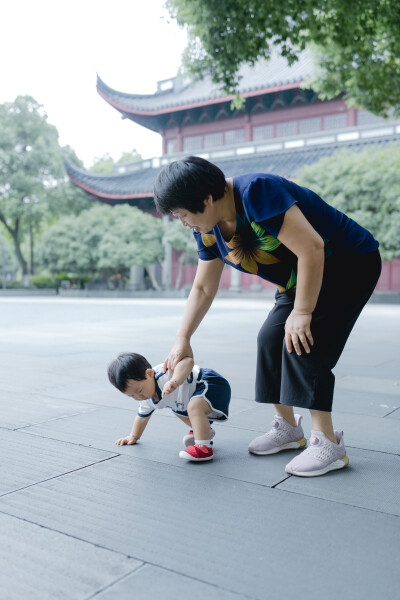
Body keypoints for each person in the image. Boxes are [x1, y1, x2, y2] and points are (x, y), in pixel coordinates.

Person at [153, 155, 381, 477]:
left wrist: (302, 312)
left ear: (206, 199)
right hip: (299, 278)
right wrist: (182, 339)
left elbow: (312, 248)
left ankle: (328, 444)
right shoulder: (207, 227)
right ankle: (289, 429)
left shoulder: (257, 192)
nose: (183, 222)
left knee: (304, 340)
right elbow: (203, 288)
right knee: (270, 339)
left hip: (346, 264)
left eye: (183, 214)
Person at [108, 351, 231, 462]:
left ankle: (204, 449)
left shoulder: (165, 372)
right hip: (192, 397)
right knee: (177, 409)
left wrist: (175, 381)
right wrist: (133, 436)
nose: (138, 397)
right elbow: (142, 417)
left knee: (193, 407)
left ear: (149, 374)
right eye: (132, 396)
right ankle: (204, 432)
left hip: (211, 384)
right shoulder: (145, 399)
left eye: (140, 390)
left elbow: (188, 361)